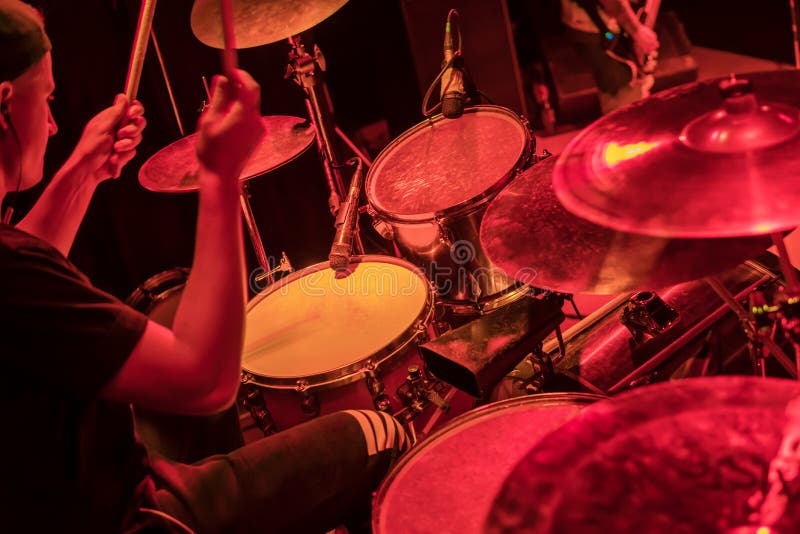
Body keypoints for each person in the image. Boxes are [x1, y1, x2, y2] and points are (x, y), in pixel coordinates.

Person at [0, 2, 407, 532]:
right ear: (4, 104)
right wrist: (220, 175)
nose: (54, 126)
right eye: (47, 100)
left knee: (173, 325)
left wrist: (83, 171)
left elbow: (28, 269)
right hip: (122, 516)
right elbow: (204, 381)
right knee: (379, 431)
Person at [559, 0, 660, 114]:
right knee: (624, 94)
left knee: (633, 87)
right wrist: (636, 31)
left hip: (606, 24)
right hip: (600, 29)